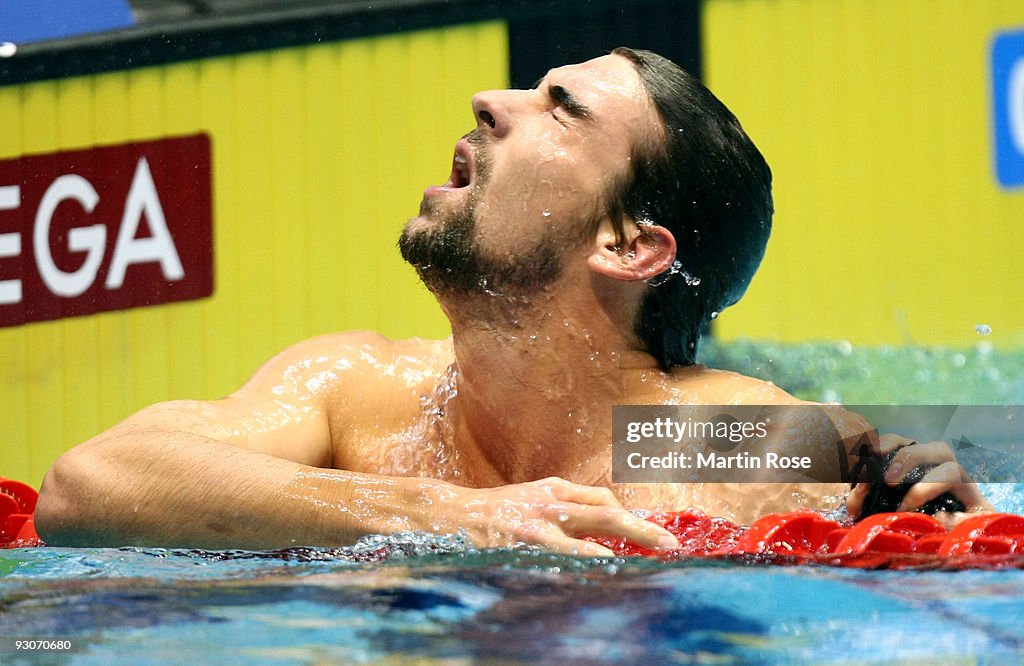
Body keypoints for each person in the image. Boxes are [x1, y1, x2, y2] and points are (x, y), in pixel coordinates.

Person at [34, 48, 991, 553]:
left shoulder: (713, 446)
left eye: (560, 109)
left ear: (628, 245)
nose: (491, 100)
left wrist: (924, 515)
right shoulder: (360, 390)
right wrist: (445, 515)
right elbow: (88, 485)